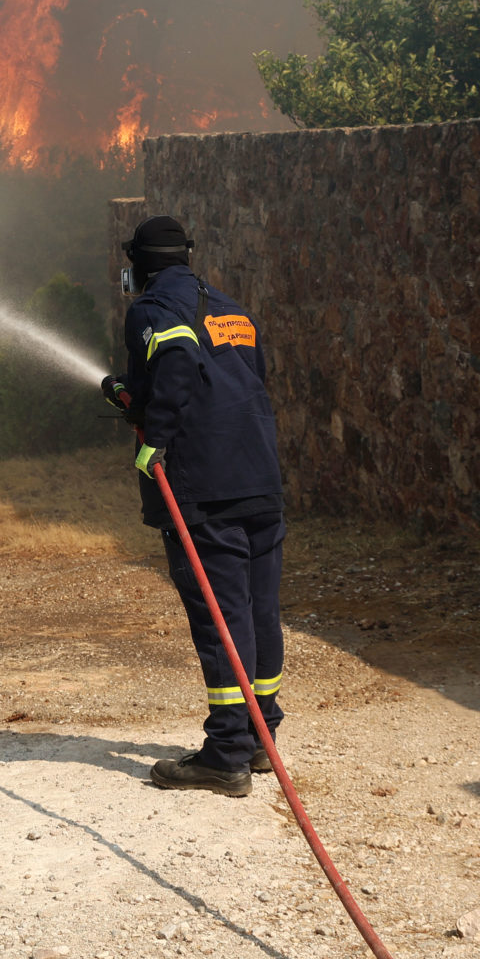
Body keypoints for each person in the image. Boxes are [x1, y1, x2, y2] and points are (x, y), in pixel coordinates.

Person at [102, 215, 284, 798]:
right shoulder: (232, 310)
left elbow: (178, 363)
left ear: (139, 264)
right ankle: (260, 738)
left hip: (205, 491)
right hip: (258, 480)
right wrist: (135, 394)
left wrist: (155, 434)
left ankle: (226, 755)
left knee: (221, 618)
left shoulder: (152, 309)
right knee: (258, 612)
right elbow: (235, 380)